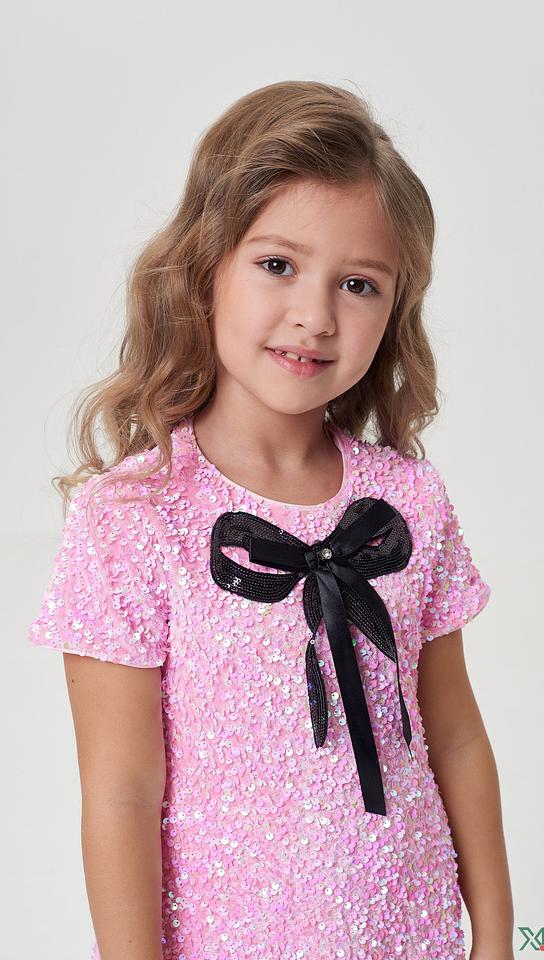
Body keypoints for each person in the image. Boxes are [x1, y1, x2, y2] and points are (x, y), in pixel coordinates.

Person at [28, 80, 514, 960]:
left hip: (413, 937)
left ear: (395, 309)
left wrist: (496, 939)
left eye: (357, 284)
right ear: (205, 263)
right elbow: (121, 795)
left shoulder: (409, 504)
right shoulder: (133, 518)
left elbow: (456, 736)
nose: (314, 316)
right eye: (278, 265)